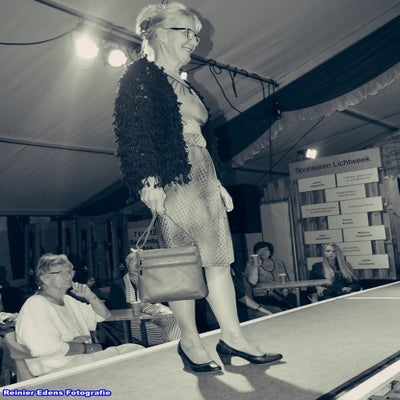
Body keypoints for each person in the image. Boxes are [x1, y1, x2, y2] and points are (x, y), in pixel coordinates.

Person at [113, 2, 282, 373]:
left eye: (195, 34)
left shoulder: (184, 83)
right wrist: (148, 179)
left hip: (203, 177)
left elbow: (205, 141)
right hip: (174, 177)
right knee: (184, 266)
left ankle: (233, 337)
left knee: (220, 260)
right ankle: (189, 342)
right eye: (185, 31)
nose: (193, 40)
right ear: (157, 33)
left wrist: (217, 183)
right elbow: (133, 133)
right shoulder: (140, 76)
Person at [15, 253, 142, 378]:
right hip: (57, 369)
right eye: (60, 272)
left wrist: (90, 296)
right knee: (133, 353)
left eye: (69, 272)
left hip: (77, 361)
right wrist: (85, 348)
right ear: (44, 278)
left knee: (134, 350)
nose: (68, 276)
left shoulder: (67, 300)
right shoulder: (36, 304)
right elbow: (42, 348)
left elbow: (105, 315)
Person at [109, 251, 181, 345]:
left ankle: (173, 345)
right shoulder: (119, 285)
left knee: (176, 322)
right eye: (133, 263)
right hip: (131, 324)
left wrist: (157, 308)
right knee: (170, 332)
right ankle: (174, 347)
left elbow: (165, 303)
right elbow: (117, 312)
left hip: (155, 318)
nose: (137, 266)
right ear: (127, 266)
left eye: (140, 262)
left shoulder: (152, 281)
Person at [245, 241, 296, 309]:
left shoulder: (278, 262)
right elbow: (248, 283)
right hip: (263, 296)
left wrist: (286, 289)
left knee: (298, 301)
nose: (263, 252)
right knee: (280, 307)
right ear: (255, 252)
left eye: (266, 249)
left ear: (271, 252)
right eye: (259, 250)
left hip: (280, 294)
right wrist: (255, 266)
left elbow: (286, 280)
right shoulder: (251, 264)